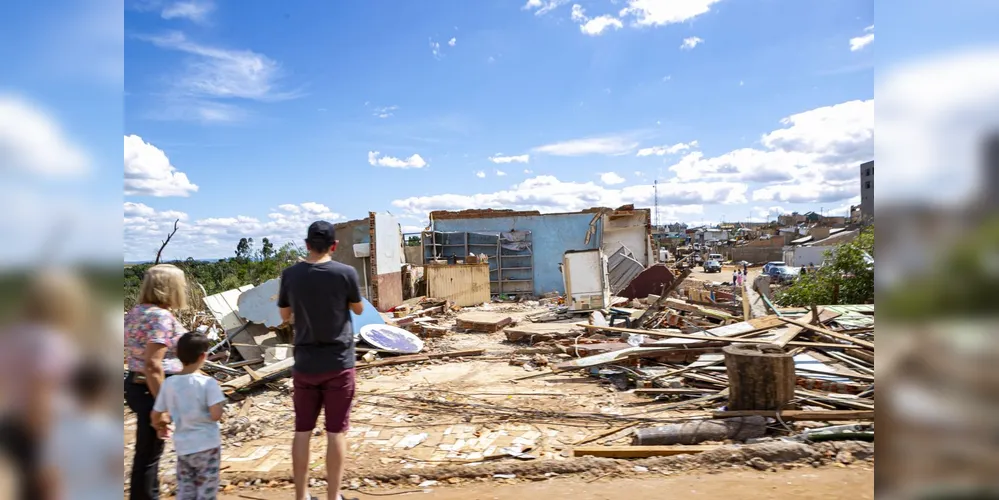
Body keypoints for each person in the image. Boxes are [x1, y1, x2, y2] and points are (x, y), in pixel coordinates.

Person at [278, 221, 364, 500]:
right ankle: (333, 496)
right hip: (338, 362)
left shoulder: (290, 274)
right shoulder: (345, 273)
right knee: (335, 432)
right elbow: (359, 309)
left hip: (304, 363)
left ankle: (301, 496)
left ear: (306, 244)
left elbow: (284, 316)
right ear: (334, 246)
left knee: (302, 430)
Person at [124, 264, 189, 500]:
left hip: (137, 384)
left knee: (147, 452)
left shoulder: (137, 311)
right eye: (181, 285)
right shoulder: (160, 317)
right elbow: (153, 364)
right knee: (149, 455)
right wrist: (162, 406)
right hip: (152, 388)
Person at [151, 332, 225, 500]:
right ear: (203, 356)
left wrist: (159, 426)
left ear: (177, 355)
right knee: (206, 490)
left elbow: (156, 414)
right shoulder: (208, 383)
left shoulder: (169, 384)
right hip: (208, 446)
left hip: (184, 447)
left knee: (186, 490)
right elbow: (215, 415)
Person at [46, 359, 120, 500]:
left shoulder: (58, 428)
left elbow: (50, 476)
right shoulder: (109, 429)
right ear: (105, 391)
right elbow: (115, 471)